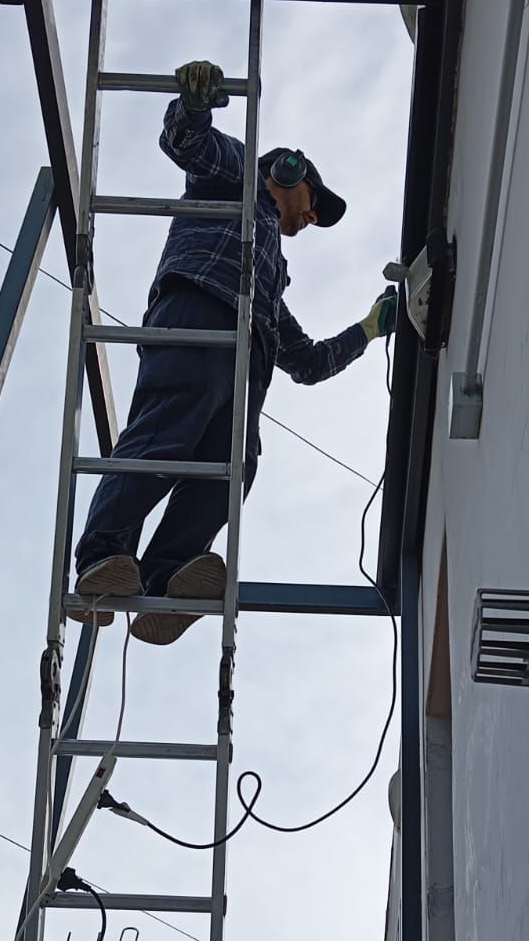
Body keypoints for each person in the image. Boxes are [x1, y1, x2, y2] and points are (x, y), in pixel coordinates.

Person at [71, 58, 397, 646]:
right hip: (196, 312)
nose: (313, 216)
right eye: (313, 202)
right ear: (290, 172)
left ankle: (168, 571)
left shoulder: (272, 274)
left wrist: (367, 331)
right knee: (166, 432)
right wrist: (193, 105)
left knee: (234, 461)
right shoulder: (241, 175)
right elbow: (191, 146)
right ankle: (102, 555)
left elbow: (308, 361)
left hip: (244, 357)